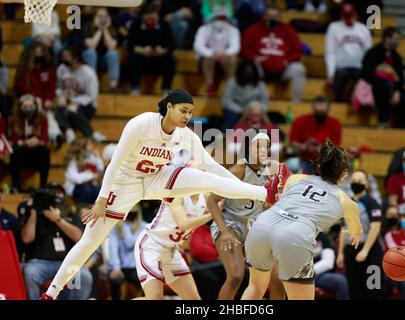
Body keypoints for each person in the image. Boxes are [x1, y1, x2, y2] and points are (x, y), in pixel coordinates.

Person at [41, 88, 289, 300]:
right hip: (125, 182)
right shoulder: (141, 124)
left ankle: (265, 193)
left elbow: (212, 166)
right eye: (183, 110)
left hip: (155, 179)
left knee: (208, 178)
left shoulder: (186, 135)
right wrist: (102, 200)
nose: (187, 116)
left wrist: (252, 190)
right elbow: (114, 163)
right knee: (90, 241)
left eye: (190, 112)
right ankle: (51, 293)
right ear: (169, 107)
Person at [241, 140, 363, 300]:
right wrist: (355, 234)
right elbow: (356, 230)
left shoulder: (296, 178)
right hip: (295, 235)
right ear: (345, 174)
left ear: (319, 167)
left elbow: (281, 202)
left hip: (262, 225)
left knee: (255, 287)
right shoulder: (347, 202)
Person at [208, 132, 285, 300]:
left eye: (267, 146)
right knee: (235, 277)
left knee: (278, 280)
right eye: (259, 146)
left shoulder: (273, 171)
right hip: (230, 224)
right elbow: (212, 201)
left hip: (255, 227)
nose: (263, 150)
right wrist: (225, 231)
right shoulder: (239, 170)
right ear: (249, 148)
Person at [20, 186, 93, 300]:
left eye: (59, 194)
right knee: (29, 272)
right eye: (54, 194)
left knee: (84, 275)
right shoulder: (35, 217)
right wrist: (34, 211)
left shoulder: (70, 216)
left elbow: (78, 236)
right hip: (40, 263)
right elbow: (26, 238)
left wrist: (58, 220)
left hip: (67, 263)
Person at [134, 193, 211, 300]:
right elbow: (183, 224)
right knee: (155, 298)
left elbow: (224, 197)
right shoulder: (178, 195)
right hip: (152, 246)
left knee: (194, 299)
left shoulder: (205, 196)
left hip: (171, 250)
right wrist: (212, 214)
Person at [241, 4, 306, 102]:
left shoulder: (288, 30)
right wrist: (254, 57)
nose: (272, 19)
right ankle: (250, 102)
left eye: (275, 16)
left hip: (283, 67)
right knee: (249, 66)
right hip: (260, 66)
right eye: (269, 16)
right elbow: (243, 48)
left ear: (279, 18)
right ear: (264, 16)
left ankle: (296, 103)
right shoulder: (253, 29)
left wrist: (287, 60)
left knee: (300, 69)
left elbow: (298, 51)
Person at [336, 170, 385, 299]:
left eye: (360, 182)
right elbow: (343, 229)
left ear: (367, 184)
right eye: (354, 182)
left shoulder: (372, 203)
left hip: (370, 253)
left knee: (374, 291)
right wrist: (340, 253)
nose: (356, 184)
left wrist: (365, 251)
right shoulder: (348, 203)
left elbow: (375, 227)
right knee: (355, 291)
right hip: (351, 252)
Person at [361, 27, 405, 128]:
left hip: (393, 90)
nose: (399, 42)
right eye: (396, 39)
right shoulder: (373, 52)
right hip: (375, 88)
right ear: (387, 38)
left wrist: (397, 90)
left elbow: (400, 78)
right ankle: (383, 121)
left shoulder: (397, 57)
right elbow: (367, 73)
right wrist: (380, 71)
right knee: (385, 85)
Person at [14, 42, 61, 146]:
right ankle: (54, 133)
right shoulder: (24, 69)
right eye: (36, 53)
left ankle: (54, 135)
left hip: (44, 103)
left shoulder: (49, 69)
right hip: (26, 101)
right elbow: (23, 87)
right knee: (41, 111)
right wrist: (35, 99)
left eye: (41, 53)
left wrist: (48, 99)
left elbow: (51, 86)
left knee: (46, 112)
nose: (39, 56)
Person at [55, 46, 105, 143]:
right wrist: (62, 94)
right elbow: (57, 87)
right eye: (63, 56)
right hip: (66, 102)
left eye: (67, 56)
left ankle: (89, 133)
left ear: (76, 58)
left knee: (72, 109)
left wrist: (73, 100)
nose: (64, 59)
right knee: (61, 102)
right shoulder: (61, 69)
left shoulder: (88, 73)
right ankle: (69, 131)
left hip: (87, 106)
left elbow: (91, 96)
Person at [325, 3, 372, 102]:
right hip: (341, 67)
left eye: (350, 16)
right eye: (346, 16)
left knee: (364, 79)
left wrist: (367, 71)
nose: (348, 19)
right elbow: (330, 52)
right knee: (340, 77)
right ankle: (338, 104)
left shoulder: (363, 29)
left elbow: (368, 53)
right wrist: (330, 73)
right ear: (341, 15)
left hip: (359, 67)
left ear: (355, 15)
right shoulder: (334, 27)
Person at [127, 3, 176, 95]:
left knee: (171, 60)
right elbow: (130, 46)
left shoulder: (164, 25)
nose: (151, 21)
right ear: (143, 16)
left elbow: (171, 46)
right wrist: (143, 50)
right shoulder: (135, 25)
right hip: (142, 58)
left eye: (153, 18)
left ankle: (166, 89)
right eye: (148, 18)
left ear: (157, 16)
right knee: (132, 58)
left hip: (159, 59)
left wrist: (162, 50)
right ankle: (135, 88)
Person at [193, 6, 240, 97]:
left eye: (223, 18)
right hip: (208, 58)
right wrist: (211, 53)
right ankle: (210, 87)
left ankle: (231, 88)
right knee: (207, 58)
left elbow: (235, 47)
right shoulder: (203, 29)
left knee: (232, 58)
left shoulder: (233, 30)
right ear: (214, 18)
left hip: (224, 58)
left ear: (227, 19)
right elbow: (198, 46)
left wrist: (224, 53)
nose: (221, 20)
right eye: (219, 18)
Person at [289, 96, 342, 174]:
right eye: (318, 112)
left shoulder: (335, 124)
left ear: (328, 109)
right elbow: (292, 143)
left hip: (325, 163)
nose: (320, 114)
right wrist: (305, 146)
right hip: (303, 160)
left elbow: (336, 147)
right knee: (291, 164)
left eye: (322, 112)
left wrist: (322, 148)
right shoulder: (300, 121)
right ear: (313, 108)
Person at [9, 95, 50, 192]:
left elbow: (44, 137)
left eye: (31, 106)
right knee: (14, 150)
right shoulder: (14, 118)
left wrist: (37, 141)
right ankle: (16, 186)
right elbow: (15, 139)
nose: (28, 109)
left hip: (36, 152)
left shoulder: (42, 117)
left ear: (35, 106)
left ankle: (43, 185)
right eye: (25, 106)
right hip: (22, 152)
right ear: (20, 107)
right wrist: (25, 143)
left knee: (45, 151)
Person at [108, 204, 146, 300]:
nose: (132, 211)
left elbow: (131, 243)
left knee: (149, 280)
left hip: (137, 267)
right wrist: (116, 267)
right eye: (130, 208)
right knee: (115, 280)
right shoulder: (116, 227)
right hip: (120, 267)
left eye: (134, 209)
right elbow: (113, 248)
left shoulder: (145, 226)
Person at [221, 60, 269, 131]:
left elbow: (265, 102)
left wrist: (257, 110)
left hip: (255, 110)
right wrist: (241, 110)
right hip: (236, 111)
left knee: (267, 122)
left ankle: (276, 139)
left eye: (250, 71)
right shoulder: (232, 83)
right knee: (231, 120)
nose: (248, 73)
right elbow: (226, 101)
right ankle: (224, 138)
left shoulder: (260, 84)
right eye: (246, 71)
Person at [82, 8, 121, 91]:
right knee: (91, 52)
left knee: (113, 53)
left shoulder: (111, 28)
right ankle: (91, 84)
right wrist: (100, 30)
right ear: (94, 17)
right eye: (100, 16)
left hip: (103, 60)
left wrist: (105, 29)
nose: (103, 19)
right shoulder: (87, 26)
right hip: (88, 59)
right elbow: (91, 45)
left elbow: (111, 46)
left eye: (105, 16)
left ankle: (113, 85)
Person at [189, 221, 226, 300]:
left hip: (222, 265)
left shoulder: (223, 230)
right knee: (208, 279)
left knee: (244, 273)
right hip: (203, 266)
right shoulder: (198, 230)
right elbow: (197, 250)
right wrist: (218, 253)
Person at [63, 138, 105, 205]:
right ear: (82, 147)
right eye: (89, 145)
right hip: (75, 187)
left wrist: (98, 157)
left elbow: (100, 169)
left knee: (97, 191)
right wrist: (92, 175)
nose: (91, 146)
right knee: (87, 191)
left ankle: (93, 212)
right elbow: (77, 179)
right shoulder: (72, 160)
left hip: (89, 186)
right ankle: (82, 211)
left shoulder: (90, 157)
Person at [314, 232, 350, 300]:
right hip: (298, 275)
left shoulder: (322, 237)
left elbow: (328, 262)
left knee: (340, 280)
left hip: (318, 274)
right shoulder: (296, 237)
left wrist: (309, 272)